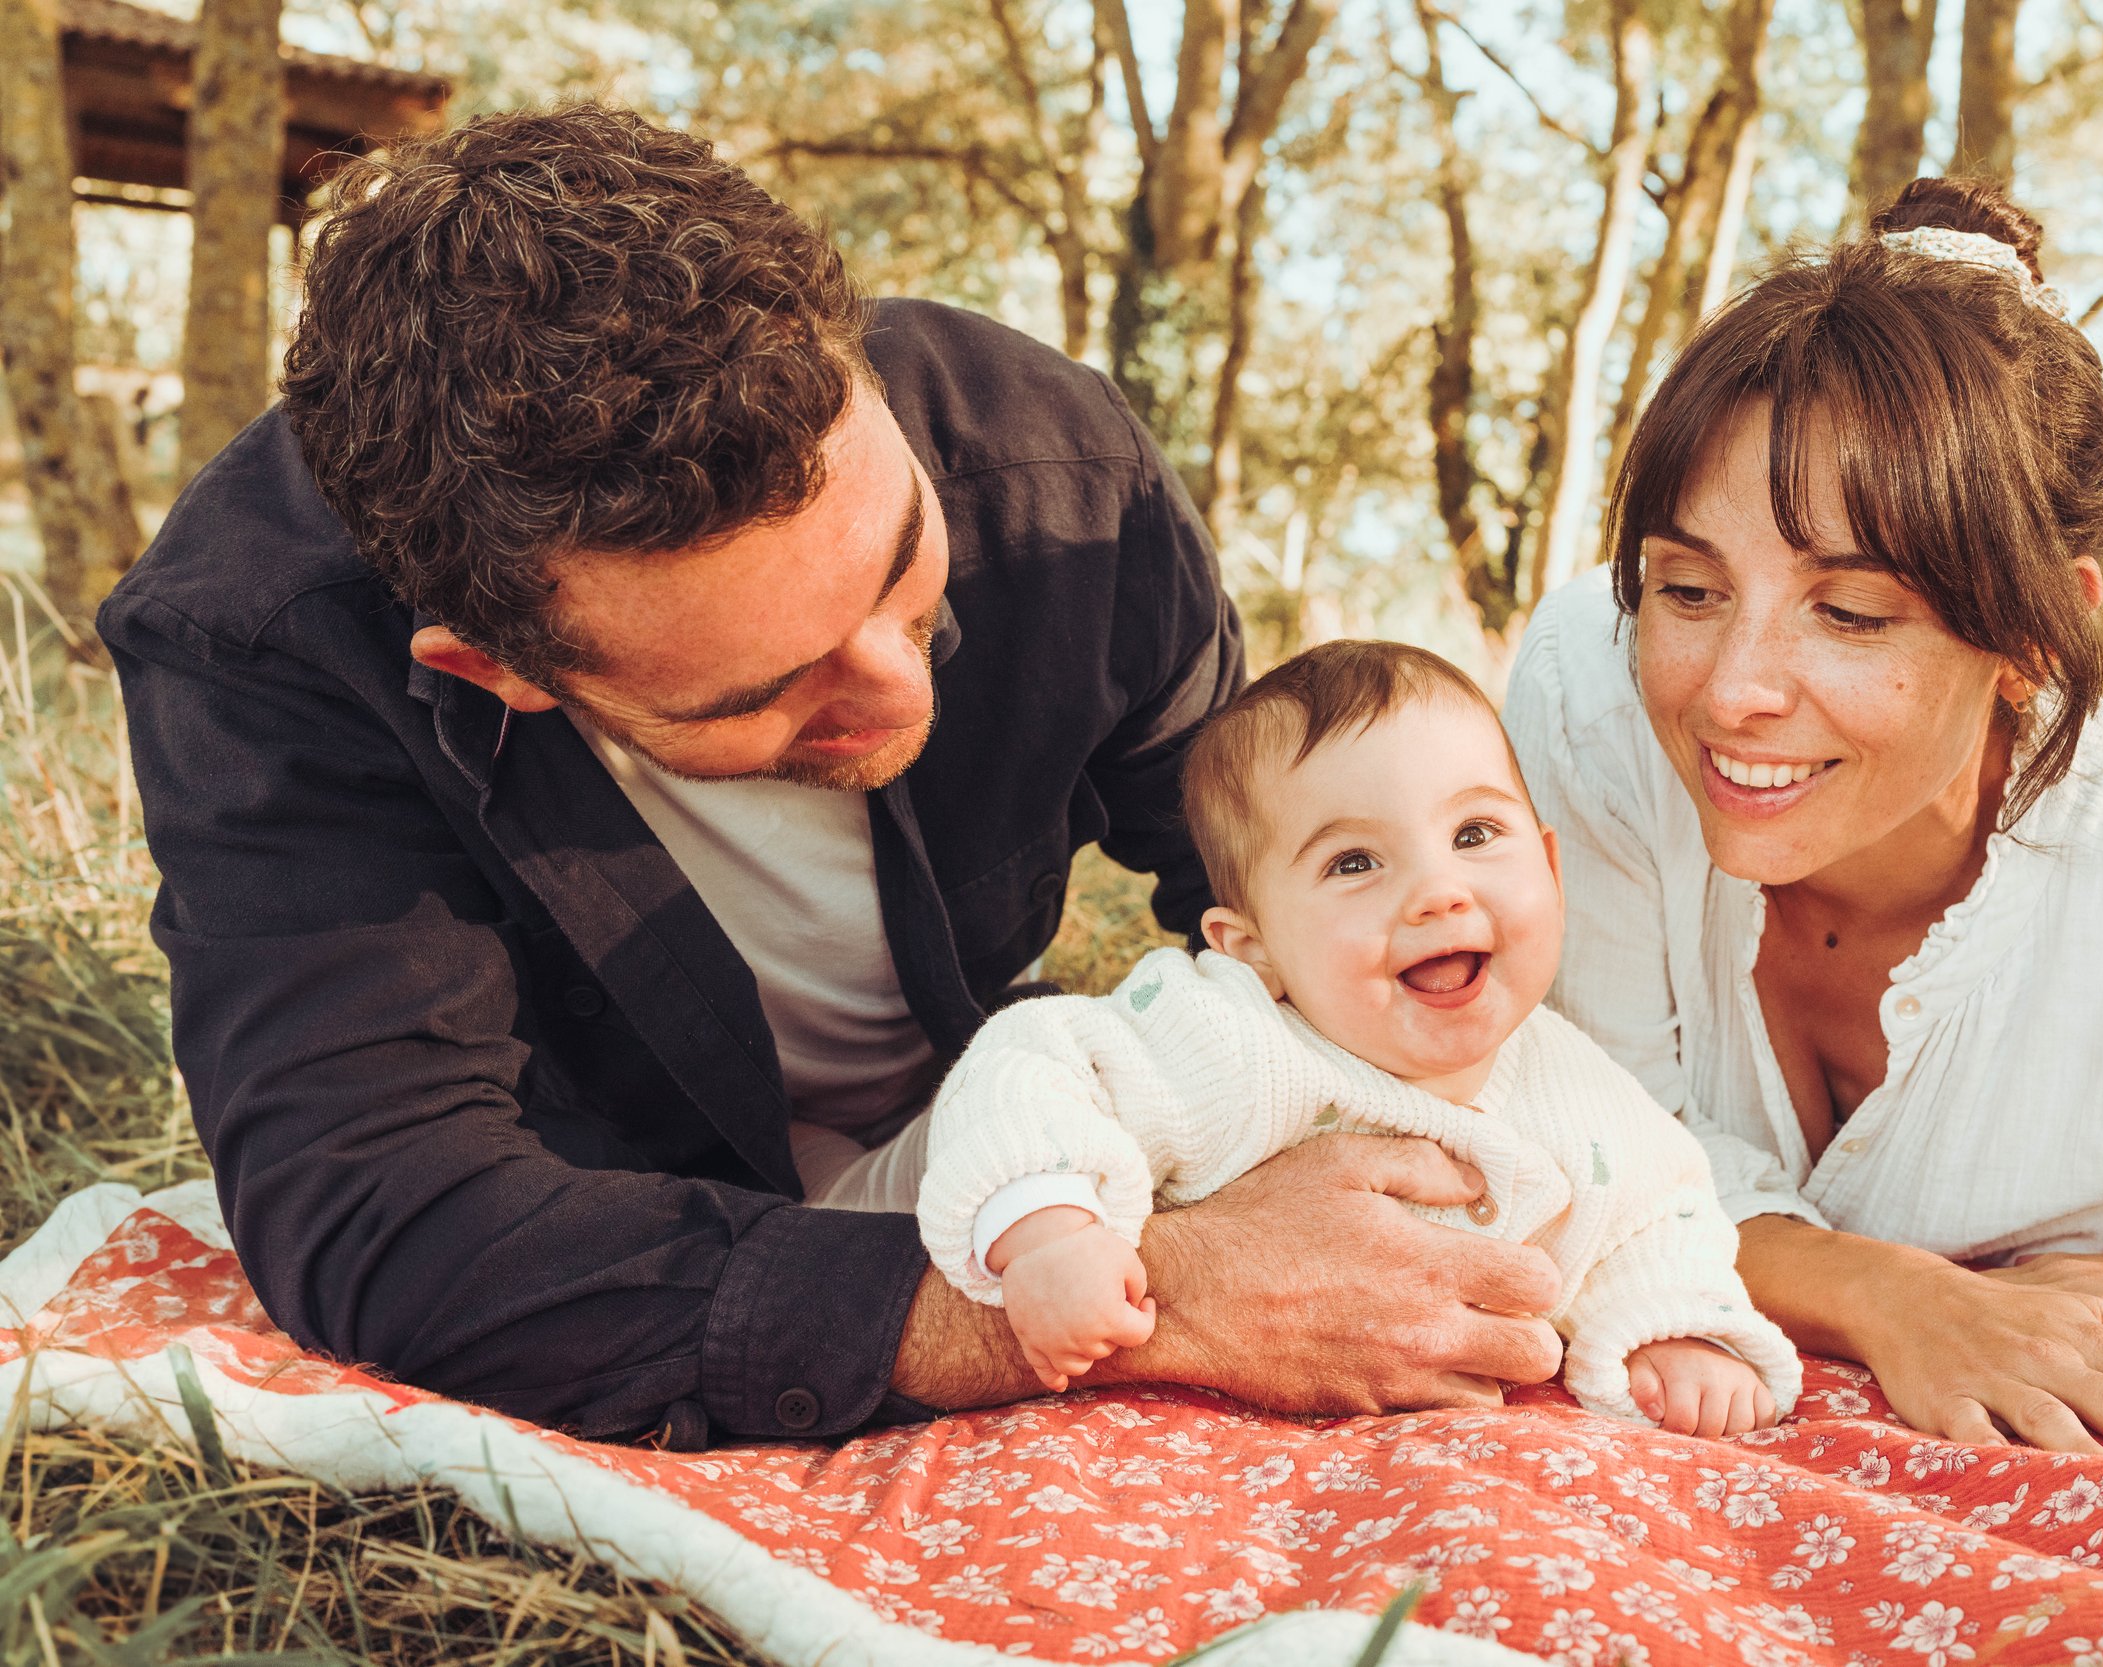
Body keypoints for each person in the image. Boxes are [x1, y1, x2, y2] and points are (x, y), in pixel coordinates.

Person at [99, 105, 1570, 1448]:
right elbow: (385, 1205)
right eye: (771, 690)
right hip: (638, 1208)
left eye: (902, 566)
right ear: (500, 667)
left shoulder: (1055, 464)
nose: (897, 681)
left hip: (1003, 1126)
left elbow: (1266, 883)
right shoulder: (261, 639)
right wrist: (1142, 1300)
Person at [1505, 176, 2103, 1469]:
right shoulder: (1595, 687)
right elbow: (1596, 1129)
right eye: (1689, 586)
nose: (1732, 687)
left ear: (2039, 632)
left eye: (1851, 613)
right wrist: (1886, 1291)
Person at [913, 642, 1802, 1435]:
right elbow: (1035, 1061)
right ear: (1251, 947)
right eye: (1354, 863)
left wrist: (1674, 1326)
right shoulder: (1235, 1039)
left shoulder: (1574, 1087)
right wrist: (1049, 1231)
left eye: (1474, 833)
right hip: (1193, 1441)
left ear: (1551, 870)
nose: (1438, 890)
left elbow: (1655, 1213)